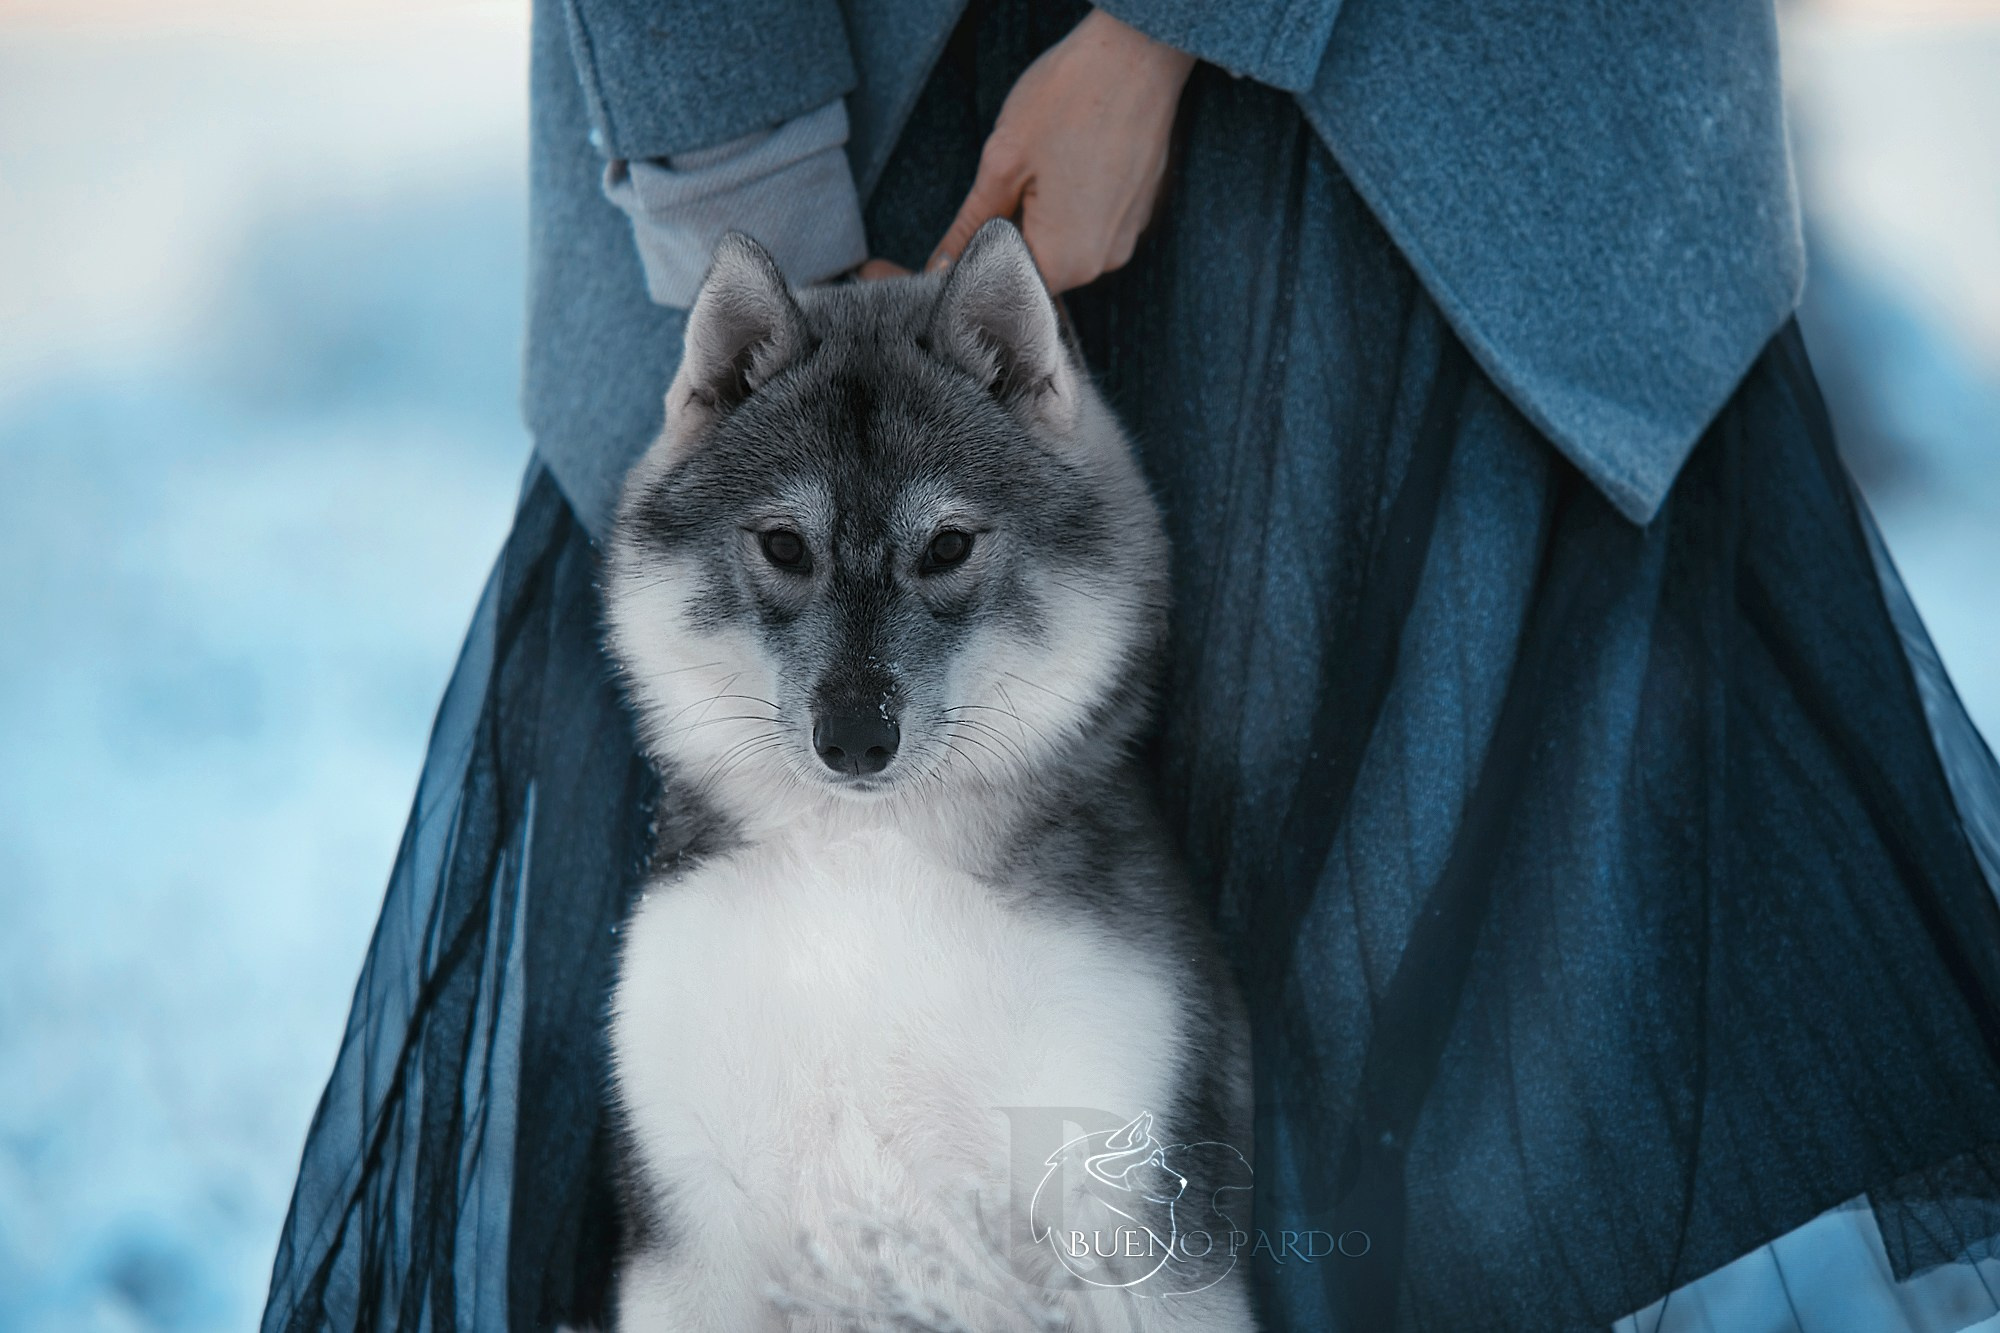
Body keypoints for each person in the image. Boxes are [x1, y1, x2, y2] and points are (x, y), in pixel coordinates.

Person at [263, 2, 2000, 1330]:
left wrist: (1164, 29)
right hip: (865, 80)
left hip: (1396, 111)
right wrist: (743, 185)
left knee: (1454, 1106)